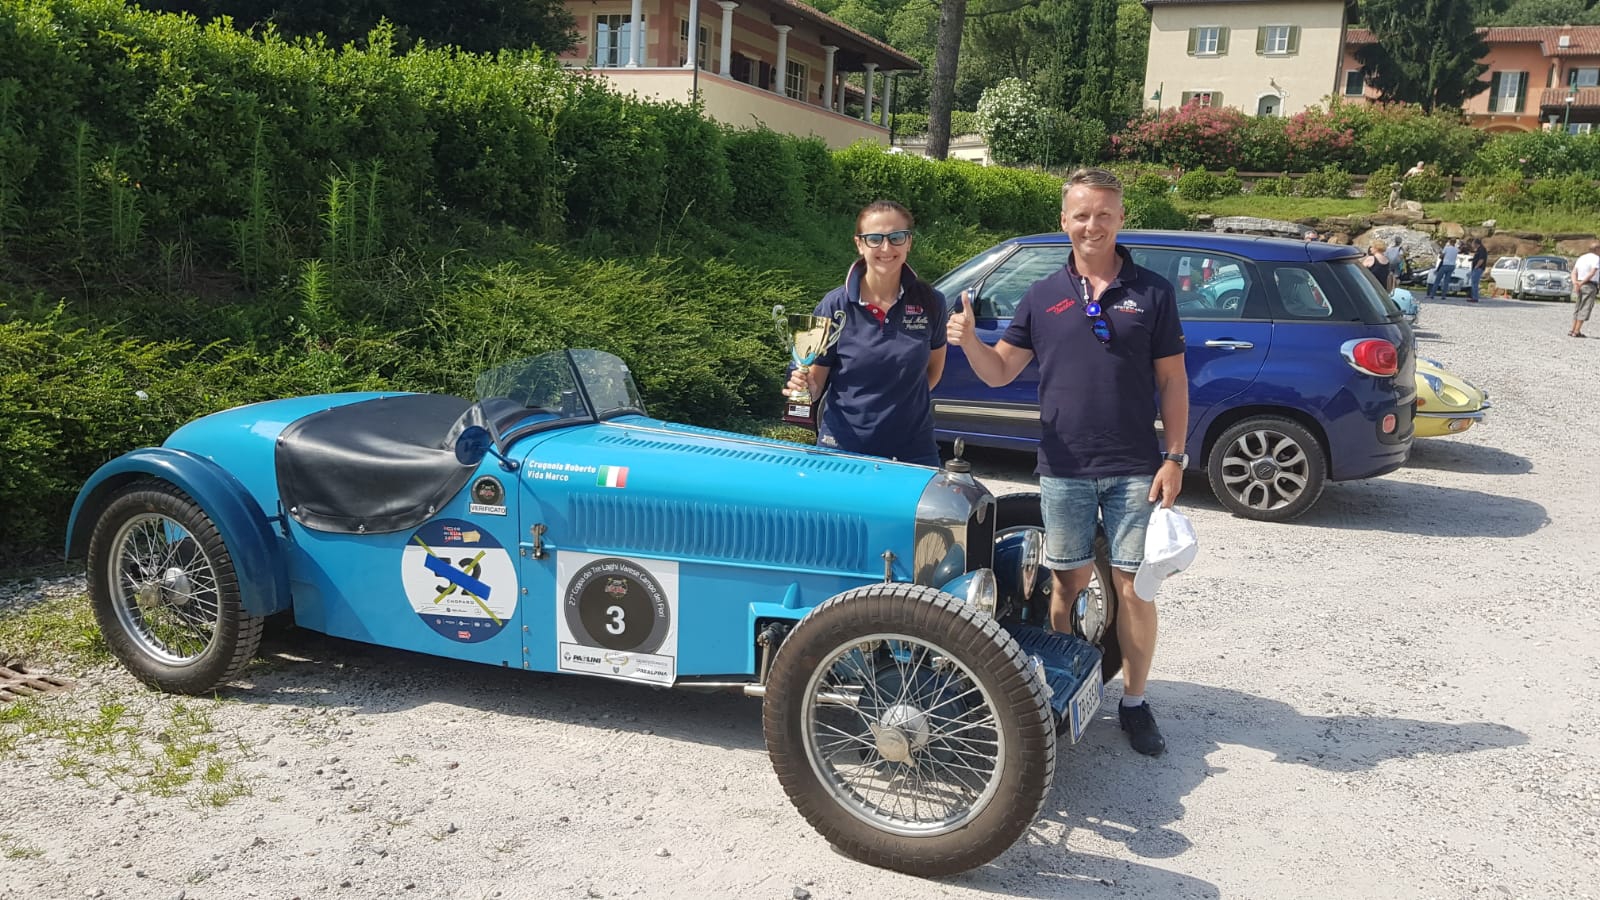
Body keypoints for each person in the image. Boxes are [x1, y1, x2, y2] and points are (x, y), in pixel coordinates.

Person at [946, 167, 1188, 757]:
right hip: (1063, 465)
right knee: (1067, 582)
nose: (1092, 225)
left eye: (1104, 214)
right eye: (1081, 214)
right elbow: (1000, 371)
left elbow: (1173, 380)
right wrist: (970, 340)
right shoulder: (1043, 294)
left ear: (1121, 218)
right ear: (1064, 221)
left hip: (1135, 466)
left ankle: (1134, 702)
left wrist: (1175, 457)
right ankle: (1063, 684)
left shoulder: (1153, 292)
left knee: (1134, 588)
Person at [783, 200, 948, 464]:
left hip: (914, 449)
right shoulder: (834, 306)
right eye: (874, 239)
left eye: (896, 237)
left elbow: (933, 372)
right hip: (843, 448)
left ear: (908, 242)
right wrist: (805, 388)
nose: (886, 248)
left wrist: (899, 402)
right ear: (859, 244)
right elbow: (815, 382)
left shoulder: (931, 302)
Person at [1573, 241, 1600, 338]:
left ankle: (1573, 329)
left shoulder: (1582, 257)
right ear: (1597, 249)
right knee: (1585, 307)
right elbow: (1592, 273)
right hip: (1589, 285)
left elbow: (1574, 272)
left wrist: (1576, 283)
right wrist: (1582, 283)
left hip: (1580, 283)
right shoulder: (1597, 258)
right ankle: (1577, 331)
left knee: (1578, 306)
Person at [1468, 238, 1488, 302]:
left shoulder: (1482, 249)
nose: (1472, 245)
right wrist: (1472, 260)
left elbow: (1481, 259)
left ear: (1476, 244)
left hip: (1478, 268)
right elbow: (1477, 258)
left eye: (1473, 244)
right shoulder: (1478, 249)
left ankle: (1475, 298)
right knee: (1474, 283)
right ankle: (1473, 296)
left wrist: (1476, 267)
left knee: (1475, 283)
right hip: (1477, 268)